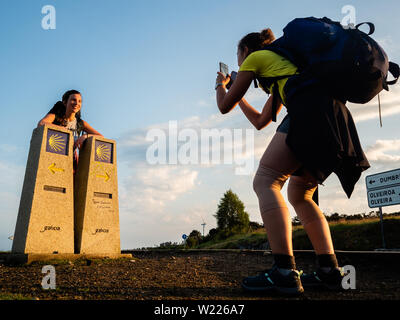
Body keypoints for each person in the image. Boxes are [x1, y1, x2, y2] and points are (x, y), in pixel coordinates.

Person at [215, 28, 370, 295]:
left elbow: (223, 106)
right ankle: (330, 271)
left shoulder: (256, 58)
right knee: (300, 194)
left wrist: (221, 85)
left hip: (308, 113)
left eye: (238, 55)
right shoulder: (285, 71)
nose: (239, 63)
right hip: (334, 118)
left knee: (266, 181)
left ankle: (284, 273)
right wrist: (237, 95)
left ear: (245, 51)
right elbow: (261, 122)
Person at [38, 90, 103, 172]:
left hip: (71, 163)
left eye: (79, 101)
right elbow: (41, 123)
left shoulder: (80, 123)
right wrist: (63, 130)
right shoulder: (56, 116)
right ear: (65, 102)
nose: (77, 103)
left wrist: (85, 136)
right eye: (73, 100)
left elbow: (100, 136)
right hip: (52, 158)